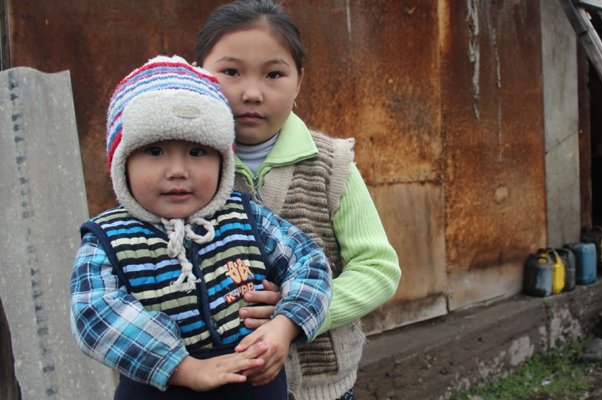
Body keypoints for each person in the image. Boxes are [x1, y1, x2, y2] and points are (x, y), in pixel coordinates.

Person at [69, 55, 332, 400]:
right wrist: (183, 367)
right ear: (121, 163)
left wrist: (285, 325)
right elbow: (93, 314)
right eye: (155, 150)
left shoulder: (245, 216)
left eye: (197, 151)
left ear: (223, 160)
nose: (178, 170)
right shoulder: (107, 238)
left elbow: (311, 263)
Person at [195, 1, 402, 399]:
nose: (251, 92)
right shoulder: (180, 171)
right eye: (230, 72)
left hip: (319, 387)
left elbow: (378, 269)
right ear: (197, 73)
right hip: (222, 386)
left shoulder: (331, 165)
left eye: (274, 74)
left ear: (299, 81)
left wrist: (295, 313)